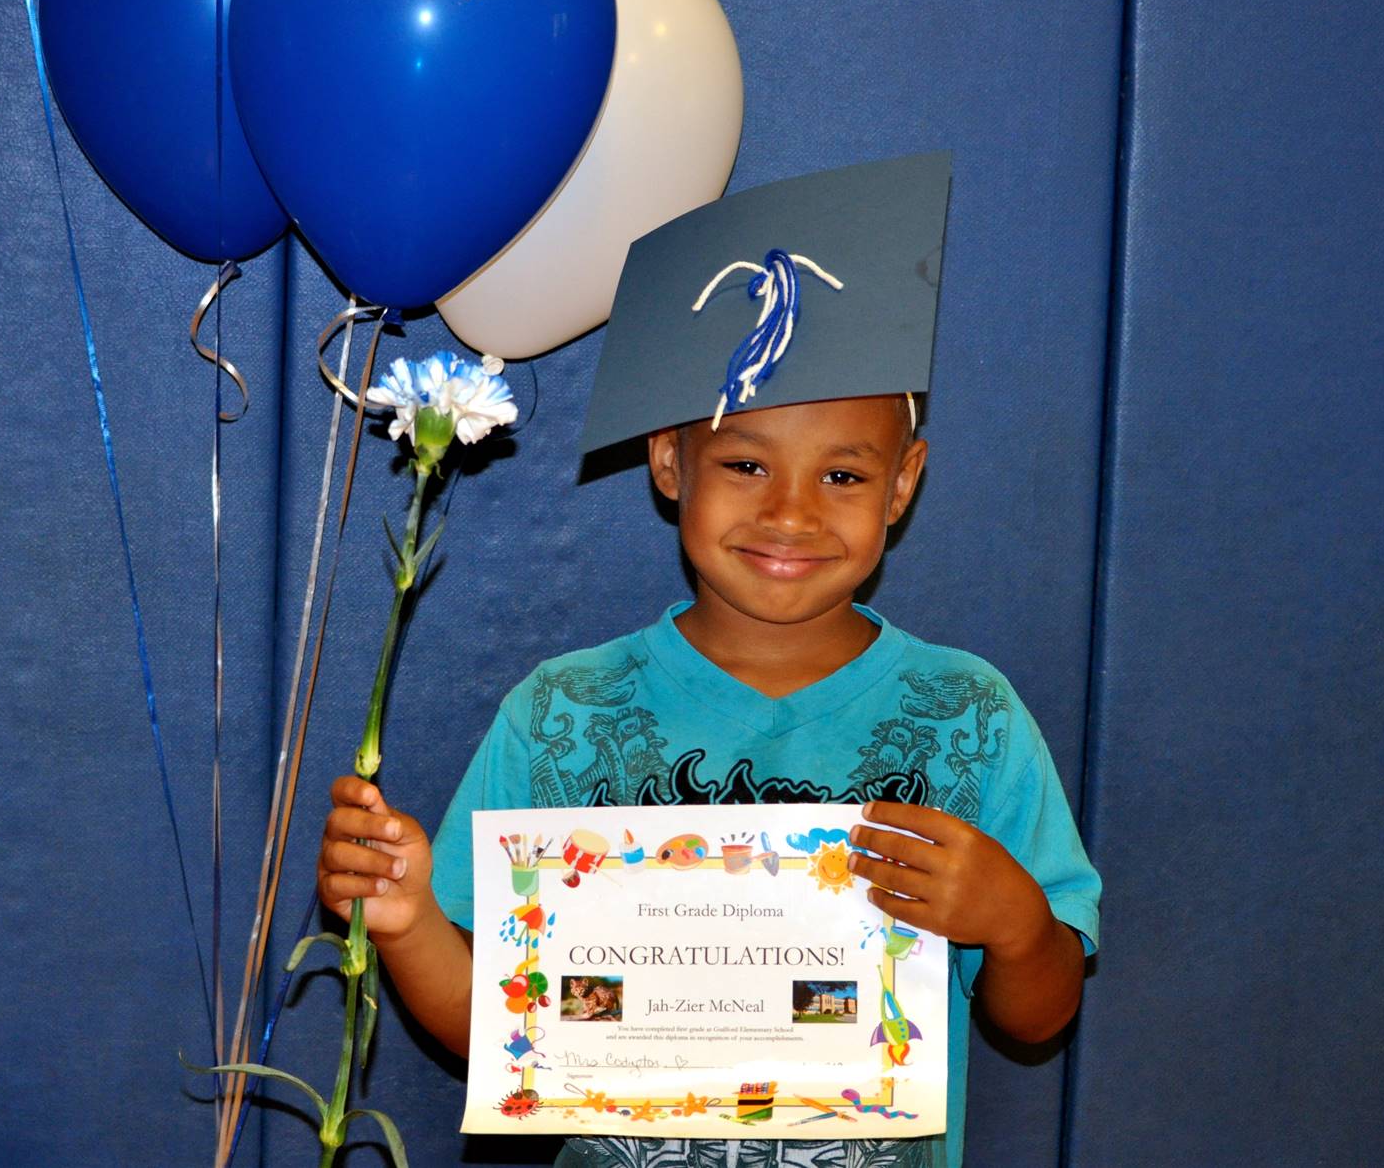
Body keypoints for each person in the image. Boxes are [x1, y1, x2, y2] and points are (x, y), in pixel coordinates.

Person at [317, 154, 1100, 1168]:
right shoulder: (566, 716)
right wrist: (410, 915)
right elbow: (504, 1038)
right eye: (744, 463)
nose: (790, 511)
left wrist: (1015, 922)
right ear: (668, 459)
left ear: (902, 485)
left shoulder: (969, 717)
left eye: (844, 474)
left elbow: (1039, 1019)